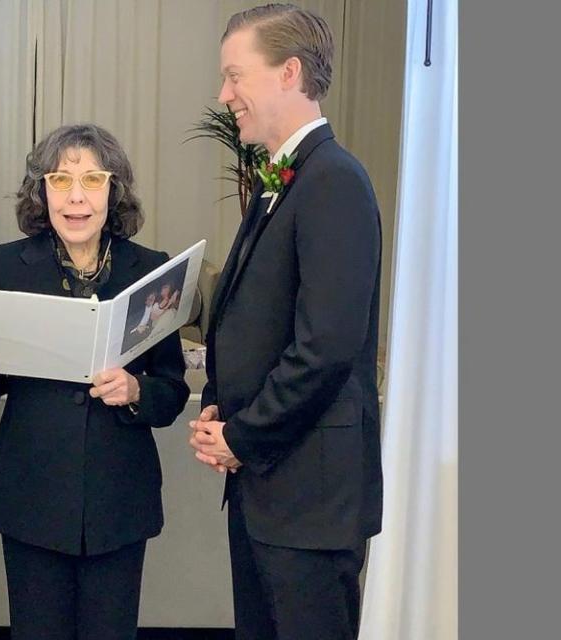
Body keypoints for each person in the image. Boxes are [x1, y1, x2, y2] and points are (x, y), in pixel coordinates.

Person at [188, 5, 383, 640]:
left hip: (311, 499)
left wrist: (245, 437)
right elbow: (255, 321)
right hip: (269, 490)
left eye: (235, 76)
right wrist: (220, 405)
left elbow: (325, 347)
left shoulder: (333, 181)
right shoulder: (283, 178)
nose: (225, 95)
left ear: (288, 72)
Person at [0, 123, 190, 640]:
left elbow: (173, 389)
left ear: (114, 190)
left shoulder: (150, 270)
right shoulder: (5, 264)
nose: (76, 197)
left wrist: (135, 391)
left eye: (92, 180)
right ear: (41, 191)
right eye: (60, 180)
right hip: (31, 494)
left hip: (119, 499)